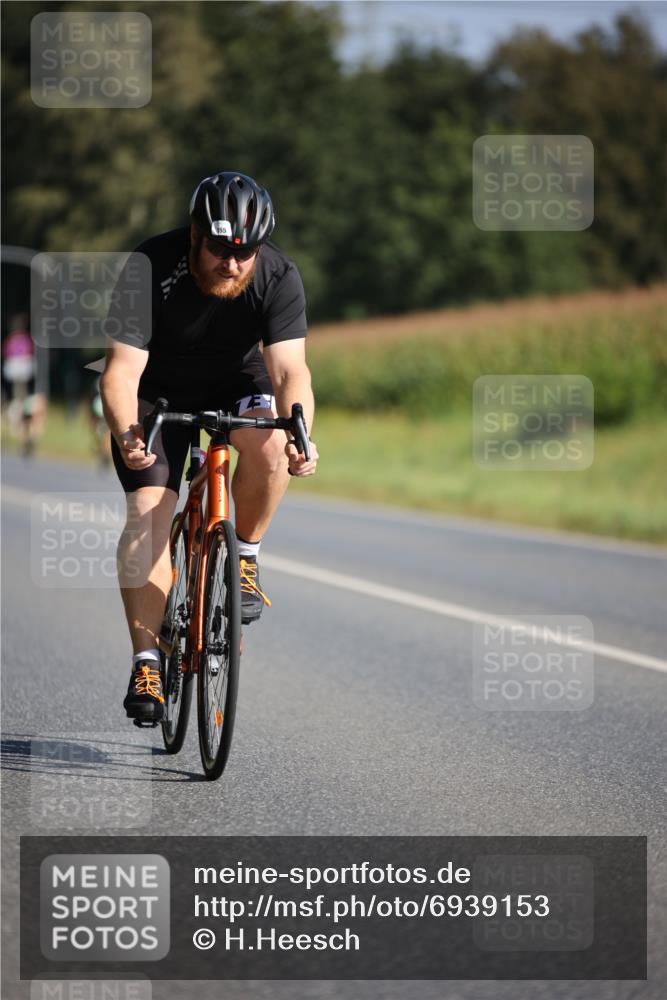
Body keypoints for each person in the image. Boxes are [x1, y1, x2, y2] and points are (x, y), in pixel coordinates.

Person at [100, 171, 318, 724]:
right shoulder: (150, 265)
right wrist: (128, 431)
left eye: (245, 251)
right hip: (158, 390)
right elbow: (122, 373)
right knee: (149, 511)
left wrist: (300, 432)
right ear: (195, 235)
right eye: (221, 248)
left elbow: (290, 370)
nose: (233, 262)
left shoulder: (277, 273)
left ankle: (244, 556)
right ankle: (147, 660)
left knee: (269, 447)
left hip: (239, 381)